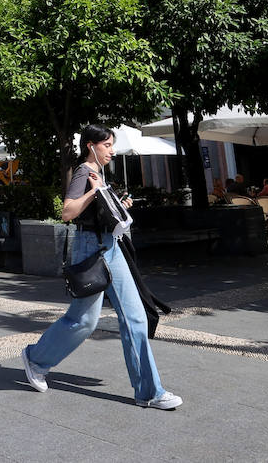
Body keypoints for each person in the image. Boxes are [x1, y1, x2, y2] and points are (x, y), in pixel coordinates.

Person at [21, 125, 181, 410]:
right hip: (90, 249)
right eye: (107, 145)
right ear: (91, 146)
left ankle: (149, 392)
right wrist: (94, 192)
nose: (112, 150)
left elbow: (99, 211)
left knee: (135, 319)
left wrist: (118, 203)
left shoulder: (101, 173)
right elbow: (68, 211)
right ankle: (35, 358)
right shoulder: (84, 172)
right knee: (84, 321)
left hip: (112, 247)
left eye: (112, 144)